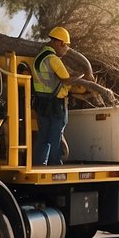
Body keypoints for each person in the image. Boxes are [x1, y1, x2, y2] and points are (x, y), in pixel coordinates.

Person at [31, 26, 87, 166]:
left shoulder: (39, 58)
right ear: (59, 43)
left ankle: (39, 163)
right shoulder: (53, 59)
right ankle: (54, 164)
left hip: (41, 103)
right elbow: (66, 80)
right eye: (65, 46)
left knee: (43, 136)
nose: (65, 49)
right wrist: (81, 75)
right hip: (56, 104)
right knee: (55, 136)